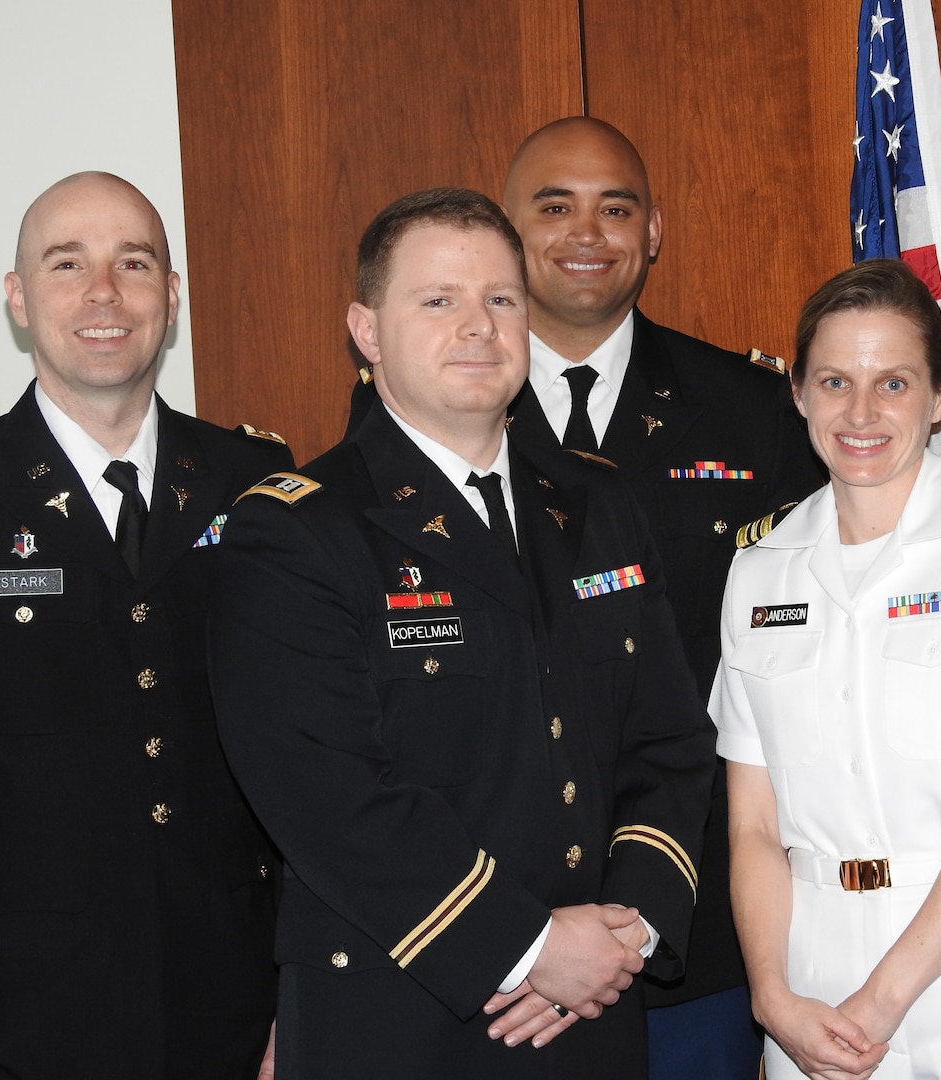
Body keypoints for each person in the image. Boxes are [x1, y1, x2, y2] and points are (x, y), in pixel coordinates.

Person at [207, 187, 715, 1079]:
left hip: (594, 1006)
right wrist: (525, 947)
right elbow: (327, 797)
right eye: (438, 300)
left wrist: (629, 925)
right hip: (404, 1014)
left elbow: (668, 740)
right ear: (367, 331)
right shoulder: (296, 531)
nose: (477, 326)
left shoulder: (600, 505)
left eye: (501, 300)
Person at [0, 172, 288, 1080]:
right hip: (26, 1014)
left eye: (133, 262)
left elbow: (300, 755)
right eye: (66, 264)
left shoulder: (261, 480)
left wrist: (307, 987)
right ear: (17, 298)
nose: (103, 294)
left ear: (171, 294)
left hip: (236, 1001)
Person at [499, 115, 825, 1077]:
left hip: (700, 906)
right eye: (552, 207)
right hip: (508, 919)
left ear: (655, 233)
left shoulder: (751, 409)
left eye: (616, 207)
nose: (586, 232)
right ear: (505, 230)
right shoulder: (437, 398)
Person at [712, 259, 941, 1079]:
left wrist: (880, 1003)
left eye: (893, 384)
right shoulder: (759, 566)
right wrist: (772, 996)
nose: (860, 413)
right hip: (810, 980)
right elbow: (751, 826)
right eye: (835, 381)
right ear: (799, 393)